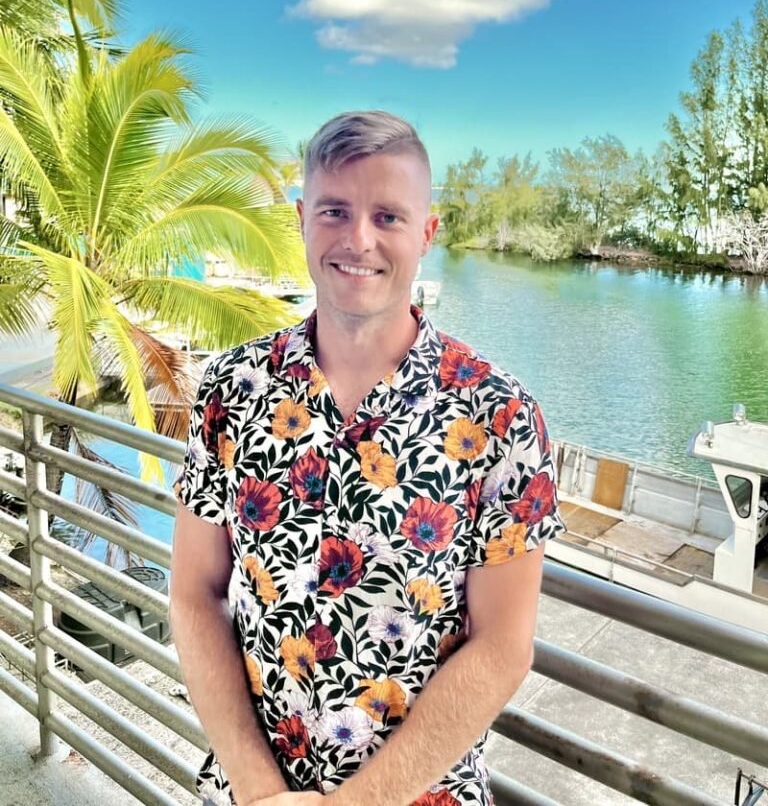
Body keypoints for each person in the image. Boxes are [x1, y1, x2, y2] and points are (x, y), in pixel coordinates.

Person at [170, 111, 567, 806]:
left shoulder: (500, 417)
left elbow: (503, 646)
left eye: (388, 216)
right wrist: (260, 789)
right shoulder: (233, 391)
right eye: (334, 210)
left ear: (427, 233)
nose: (359, 240)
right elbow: (194, 592)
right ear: (301, 220)